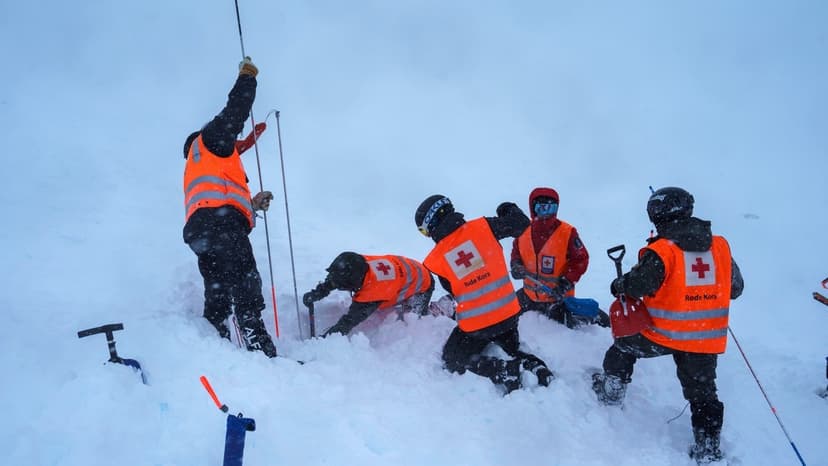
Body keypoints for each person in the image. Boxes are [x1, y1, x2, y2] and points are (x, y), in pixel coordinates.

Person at [590, 187, 744, 464]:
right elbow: (736, 288)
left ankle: (612, 390)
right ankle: (708, 447)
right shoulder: (720, 246)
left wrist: (619, 285)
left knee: (622, 348)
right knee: (703, 392)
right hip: (705, 338)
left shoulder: (662, 250)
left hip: (661, 334)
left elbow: (636, 287)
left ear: (657, 213)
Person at [182, 57, 278, 358]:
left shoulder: (199, 164)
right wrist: (248, 78)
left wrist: (250, 205)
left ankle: (216, 342)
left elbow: (217, 197)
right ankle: (256, 340)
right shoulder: (210, 141)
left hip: (202, 231)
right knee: (245, 276)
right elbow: (235, 112)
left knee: (219, 285)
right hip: (222, 226)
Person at [416, 194, 553, 394]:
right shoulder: (484, 227)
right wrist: (507, 208)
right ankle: (536, 367)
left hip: (476, 327)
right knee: (512, 349)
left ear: (431, 223)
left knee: (453, 358)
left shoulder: (436, 259)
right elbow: (521, 224)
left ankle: (505, 370)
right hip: (508, 316)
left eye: (424, 231)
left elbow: (453, 290)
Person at [510, 187, 609, 328]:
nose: (545, 213)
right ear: (533, 209)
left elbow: (581, 259)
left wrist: (565, 283)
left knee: (580, 325)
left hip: (557, 298)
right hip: (528, 296)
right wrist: (515, 265)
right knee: (505, 313)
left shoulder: (567, 232)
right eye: (541, 208)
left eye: (550, 208)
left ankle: (606, 325)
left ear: (556, 209)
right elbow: (516, 253)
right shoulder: (523, 231)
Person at [302, 252, 435, 336]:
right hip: (410, 271)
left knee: (411, 321)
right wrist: (318, 293)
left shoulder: (374, 291)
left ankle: (440, 311)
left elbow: (349, 321)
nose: (334, 282)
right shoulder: (358, 264)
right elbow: (336, 278)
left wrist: (326, 339)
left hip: (422, 285)